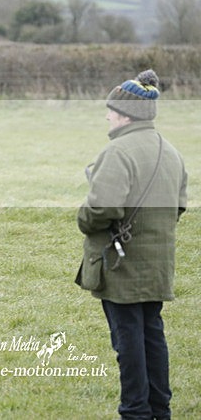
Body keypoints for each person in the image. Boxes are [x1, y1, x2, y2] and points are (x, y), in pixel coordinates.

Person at [77, 69, 188, 420]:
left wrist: (83, 218)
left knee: (128, 343)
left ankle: (135, 411)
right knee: (152, 336)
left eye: (111, 109)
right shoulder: (171, 152)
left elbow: (100, 210)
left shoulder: (117, 152)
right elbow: (178, 207)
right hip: (158, 265)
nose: (107, 116)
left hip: (121, 266)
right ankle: (160, 410)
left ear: (126, 114)